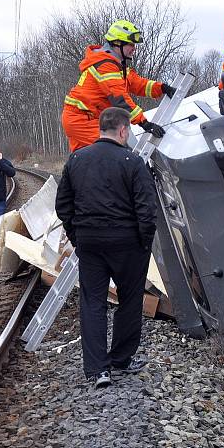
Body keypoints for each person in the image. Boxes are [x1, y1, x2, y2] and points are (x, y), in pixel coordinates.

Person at [55, 107, 157, 388]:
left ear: (100, 129)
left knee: (93, 303)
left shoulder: (77, 159)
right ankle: (121, 358)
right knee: (130, 299)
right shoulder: (133, 162)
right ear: (123, 130)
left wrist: (77, 236)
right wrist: (143, 242)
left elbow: (62, 205)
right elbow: (147, 210)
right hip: (127, 244)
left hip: (90, 243)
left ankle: (97, 370)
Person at [61, 19, 173, 152]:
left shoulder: (116, 65)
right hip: (82, 119)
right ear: (117, 43)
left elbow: (138, 84)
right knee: (117, 150)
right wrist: (144, 123)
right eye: (131, 44)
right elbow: (119, 99)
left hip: (87, 118)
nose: (134, 48)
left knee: (91, 160)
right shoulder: (105, 65)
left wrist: (162, 88)